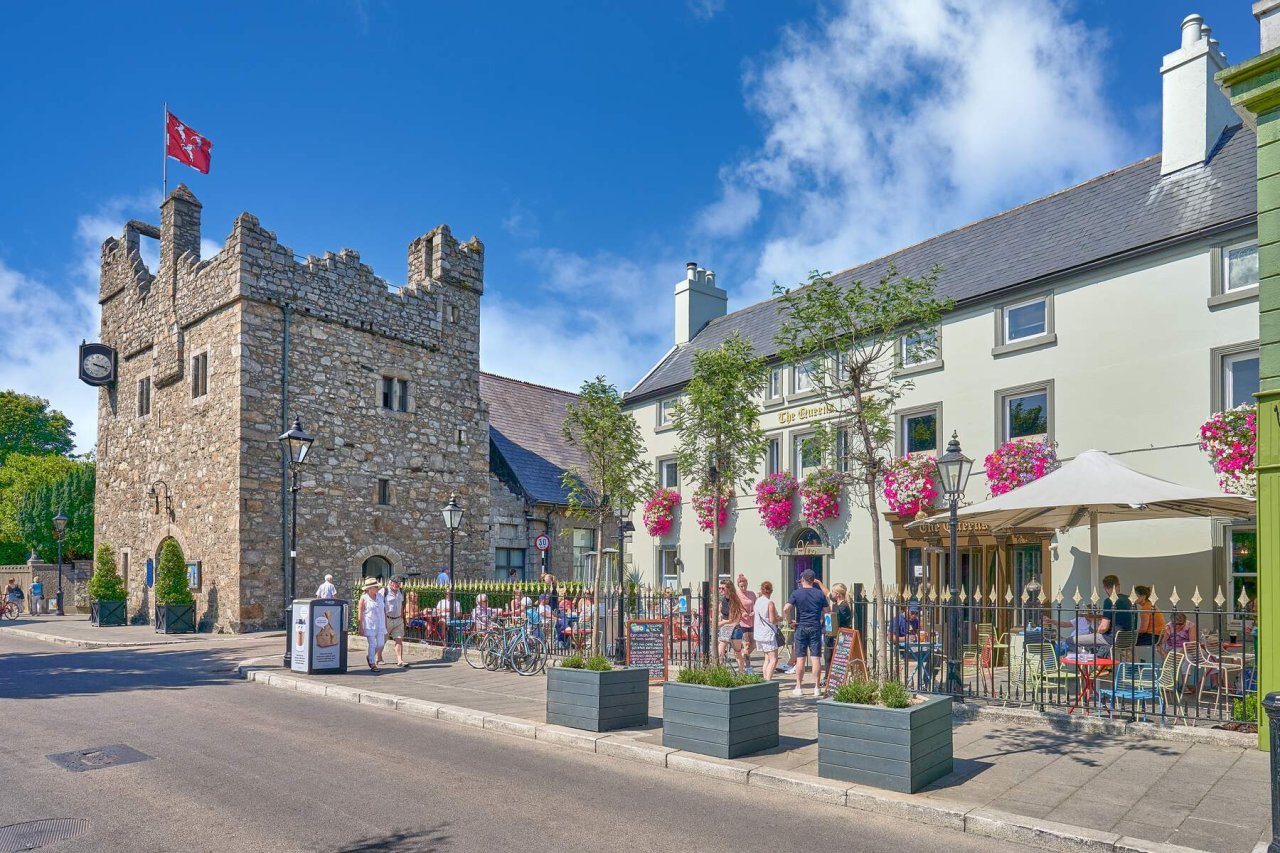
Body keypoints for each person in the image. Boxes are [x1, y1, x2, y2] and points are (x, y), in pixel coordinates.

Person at [785, 569, 830, 697]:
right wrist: (821, 621)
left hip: (801, 627)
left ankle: (798, 687)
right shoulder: (820, 594)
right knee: (816, 658)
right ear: (813, 580)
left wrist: (789, 621)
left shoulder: (796, 593)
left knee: (800, 659)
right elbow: (828, 610)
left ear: (803, 580)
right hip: (815, 627)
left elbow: (786, 609)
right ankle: (816, 687)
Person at [1073, 575, 1134, 650]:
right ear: (1118, 585)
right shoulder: (1131, 600)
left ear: (1105, 588)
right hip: (1130, 639)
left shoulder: (1109, 601)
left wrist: (1097, 632)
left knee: (1071, 641)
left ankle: (1087, 659)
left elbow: (1104, 627)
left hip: (1111, 639)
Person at [753, 581, 783, 680]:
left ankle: (765, 680)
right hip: (768, 633)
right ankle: (768, 681)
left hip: (759, 633)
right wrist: (780, 618)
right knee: (774, 659)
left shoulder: (758, 601)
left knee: (767, 658)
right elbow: (772, 620)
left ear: (761, 590)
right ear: (771, 591)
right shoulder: (770, 603)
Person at [357, 578, 386, 671]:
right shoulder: (364, 598)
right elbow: (360, 612)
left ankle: (370, 656)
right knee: (372, 644)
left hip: (380, 624)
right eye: (375, 586)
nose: (377, 588)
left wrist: (385, 623)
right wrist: (360, 626)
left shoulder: (380, 597)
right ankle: (372, 663)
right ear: (369, 588)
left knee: (381, 644)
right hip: (369, 623)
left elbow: (384, 611)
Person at [824, 582, 853, 671]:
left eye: (833, 592)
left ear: (837, 594)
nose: (831, 594)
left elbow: (838, 620)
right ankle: (827, 676)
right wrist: (818, 582)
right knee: (828, 656)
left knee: (837, 658)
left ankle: (832, 677)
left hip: (841, 635)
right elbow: (827, 593)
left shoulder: (843, 606)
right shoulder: (837, 603)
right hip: (832, 635)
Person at [380, 576, 407, 667]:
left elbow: (401, 606)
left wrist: (403, 618)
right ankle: (379, 657)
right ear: (390, 582)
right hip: (386, 619)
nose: (398, 585)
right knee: (382, 640)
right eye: (396, 583)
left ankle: (400, 660)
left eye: (399, 583)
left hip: (398, 619)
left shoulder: (401, 591)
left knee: (399, 639)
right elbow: (379, 605)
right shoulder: (384, 591)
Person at [733, 574, 757, 675]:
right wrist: (742, 613)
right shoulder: (737, 595)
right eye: (741, 586)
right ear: (738, 586)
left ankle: (742, 656)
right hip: (742, 622)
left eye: (745, 586)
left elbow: (756, 604)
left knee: (753, 644)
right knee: (746, 645)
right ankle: (747, 666)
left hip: (751, 621)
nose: (743, 588)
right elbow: (736, 606)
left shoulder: (751, 594)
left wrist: (754, 611)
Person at [716, 580, 742, 667]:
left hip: (734, 628)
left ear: (729, 588)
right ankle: (720, 671)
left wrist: (721, 622)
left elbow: (734, 619)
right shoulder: (723, 600)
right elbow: (722, 613)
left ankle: (741, 673)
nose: (720, 590)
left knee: (737, 653)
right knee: (720, 651)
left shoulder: (734, 600)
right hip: (726, 627)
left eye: (723, 588)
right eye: (719, 588)